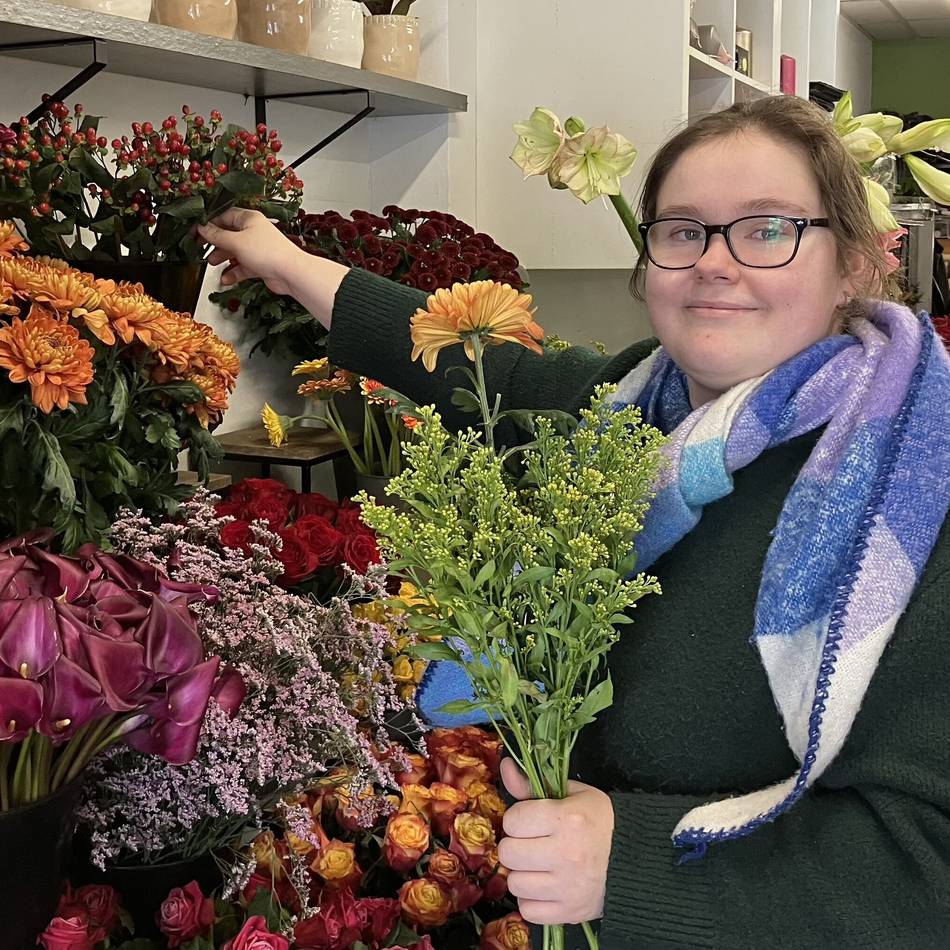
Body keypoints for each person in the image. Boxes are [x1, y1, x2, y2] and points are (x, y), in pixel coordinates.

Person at [198, 96, 950, 949]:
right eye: (682, 230)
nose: (714, 263)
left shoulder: (914, 492)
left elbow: (928, 869)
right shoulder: (634, 406)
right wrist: (288, 262)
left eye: (767, 229)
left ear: (852, 264)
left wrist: (626, 867)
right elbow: (482, 365)